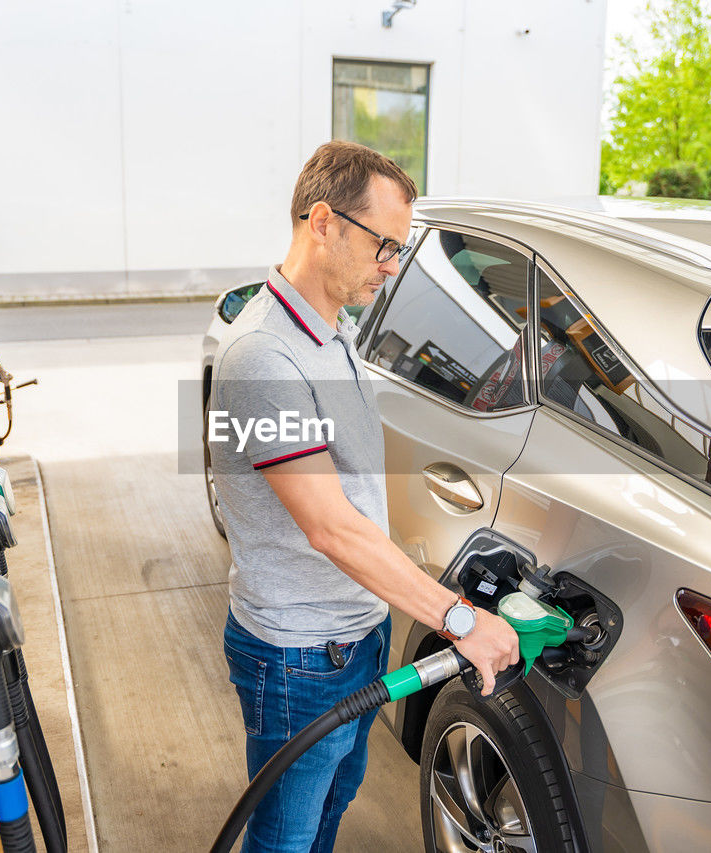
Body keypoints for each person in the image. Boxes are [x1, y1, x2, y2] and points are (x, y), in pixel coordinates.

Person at [208, 140, 520, 853]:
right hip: (297, 654)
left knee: (328, 810)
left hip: (355, 634)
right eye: (385, 246)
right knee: (283, 837)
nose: (391, 267)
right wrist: (460, 620)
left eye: (398, 251)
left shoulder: (333, 332)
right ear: (323, 222)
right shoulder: (263, 357)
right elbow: (330, 527)